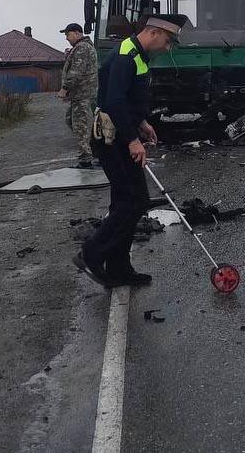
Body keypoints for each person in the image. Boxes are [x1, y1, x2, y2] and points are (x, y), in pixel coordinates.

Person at [72, 15, 188, 288]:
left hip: (122, 134)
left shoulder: (138, 55)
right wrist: (133, 140)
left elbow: (126, 98)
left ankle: (119, 268)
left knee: (132, 201)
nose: (168, 48)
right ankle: (90, 254)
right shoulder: (127, 55)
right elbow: (113, 101)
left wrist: (142, 123)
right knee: (130, 202)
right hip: (112, 139)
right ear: (154, 32)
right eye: (168, 41)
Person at [58, 23, 98, 168]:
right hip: (80, 95)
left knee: (81, 126)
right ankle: (96, 153)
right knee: (72, 120)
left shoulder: (82, 48)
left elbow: (76, 71)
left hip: (83, 95)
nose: (67, 38)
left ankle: (86, 160)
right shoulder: (82, 47)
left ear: (76, 33)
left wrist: (65, 88)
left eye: (68, 35)